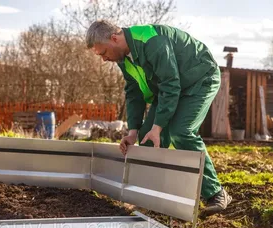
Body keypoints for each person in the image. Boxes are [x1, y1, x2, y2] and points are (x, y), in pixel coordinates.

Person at [86, 20, 232, 215]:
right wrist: (133, 132)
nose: (104, 59)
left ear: (114, 38)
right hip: (168, 88)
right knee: (147, 135)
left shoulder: (152, 41)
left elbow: (170, 83)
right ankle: (149, 196)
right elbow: (134, 92)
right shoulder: (123, 59)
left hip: (199, 79)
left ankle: (216, 193)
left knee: (181, 132)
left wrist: (159, 126)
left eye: (103, 53)